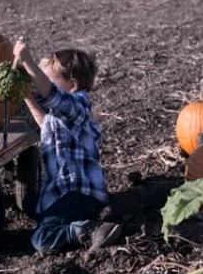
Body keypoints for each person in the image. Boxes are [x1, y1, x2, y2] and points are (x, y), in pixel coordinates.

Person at [12, 37, 122, 253]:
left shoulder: (77, 106)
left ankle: (86, 229)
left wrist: (27, 61)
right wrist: (26, 96)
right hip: (63, 190)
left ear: (72, 85)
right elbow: (45, 122)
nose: (39, 84)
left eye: (46, 79)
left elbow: (52, 96)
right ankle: (68, 217)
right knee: (28, 203)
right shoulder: (59, 115)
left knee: (41, 240)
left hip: (78, 193)